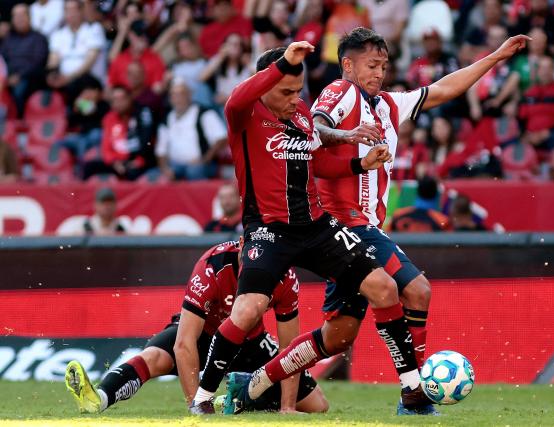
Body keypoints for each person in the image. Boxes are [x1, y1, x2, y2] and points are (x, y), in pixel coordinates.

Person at [226, 28, 530, 416]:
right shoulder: (341, 92)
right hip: (344, 227)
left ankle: (253, 383)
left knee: (337, 338)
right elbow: (314, 128)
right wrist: (347, 134)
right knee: (417, 289)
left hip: (364, 228)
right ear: (348, 64)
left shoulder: (385, 104)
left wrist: (496, 57)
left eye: (384, 65)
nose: (379, 73)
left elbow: (440, 90)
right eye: (372, 65)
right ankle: (414, 395)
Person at [190, 42, 417, 416]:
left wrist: (361, 165)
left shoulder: (301, 117)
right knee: (247, 312)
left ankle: (412, 392)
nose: (295, 100)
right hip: (268, 231)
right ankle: (203, 398)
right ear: (264, 85)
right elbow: (234, 98)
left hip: (315, 227)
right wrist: (286, 62)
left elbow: (320, 166)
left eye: (299, 92)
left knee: (385, 287)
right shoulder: (243, 117)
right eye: (286, 92)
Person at [64, 240, 329, 414]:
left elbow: (290, 349)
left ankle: (240, 397)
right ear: (240, 247)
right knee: (155, 358)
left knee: (317, 405)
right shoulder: (212, 266)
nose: (257, 266)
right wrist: (197, 406)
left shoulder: (284, 275)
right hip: (205, 334)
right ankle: (98, 399)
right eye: (250, 258)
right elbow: (184, 343)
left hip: (250, 343)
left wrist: (287, 407)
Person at [155, 79, 227, 181]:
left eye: (181, 94)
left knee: (194, 171)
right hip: (175, 165)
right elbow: (161, 150)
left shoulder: (204, 113)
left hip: (202, 164)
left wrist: (204, 159)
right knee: (155, 176)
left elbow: (221, 139)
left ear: (190, 95)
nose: (177, 98)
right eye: (174, 95)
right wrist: (165, 169)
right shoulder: (166, 119)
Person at [82, 85, 156, 181]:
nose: (118, 103)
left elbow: (147, 142)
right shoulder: (109, 118)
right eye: (114, 100)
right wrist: (114, 162)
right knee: (89, 167)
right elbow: (106, 147)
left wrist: (138, 161)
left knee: (132, 173)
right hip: (117, 162)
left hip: (138, 160)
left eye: (121, 99)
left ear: (130, 98)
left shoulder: (142, 114)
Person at [46, 0, 107, 98]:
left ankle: (81, 109)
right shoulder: (58, 34)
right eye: (67, 10)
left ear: (81, 11)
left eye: (74, 10)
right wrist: (52, 74)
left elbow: (89, 62)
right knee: (40, 79)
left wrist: (69, 78)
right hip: (65, 81)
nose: (70, 14)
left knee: (79, 93)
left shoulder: (94, 29)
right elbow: (54, 59)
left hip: (89, 81)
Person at [0, 3, 49, 117]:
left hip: (30, 78)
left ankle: (20, 120)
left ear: (29, 17)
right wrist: (6, 77)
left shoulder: (38, 38)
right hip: (8, 78)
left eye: (22, 16)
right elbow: (2, 61)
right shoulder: (8, 39)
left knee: (20, 88)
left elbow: (38, 62)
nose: (19, 20)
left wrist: (19, 76)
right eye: (16, 16)